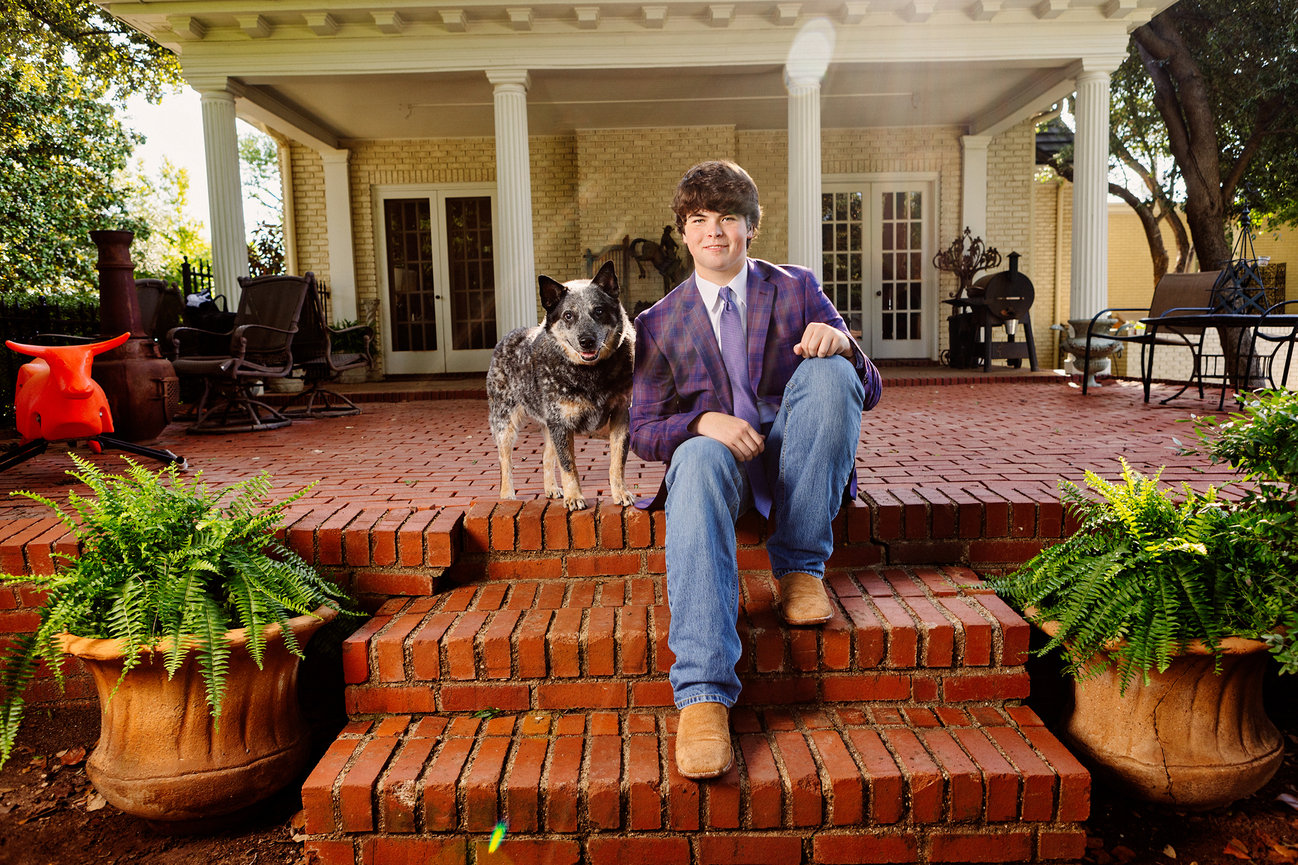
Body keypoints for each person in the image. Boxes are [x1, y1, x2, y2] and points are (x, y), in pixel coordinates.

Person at [630, 160, 883, 779]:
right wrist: (699, 422)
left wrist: (843, 346)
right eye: (699, 221)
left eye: (728, 219)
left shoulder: (796, 289)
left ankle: (800, 568)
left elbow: (869, 388)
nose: (714, 231)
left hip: (798, 456)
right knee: (692, 454)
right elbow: (641, 431)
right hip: (719, 470)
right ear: (684, 234)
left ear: (750, 227)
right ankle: (702, 697)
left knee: (828, 374)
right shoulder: (658, 323)